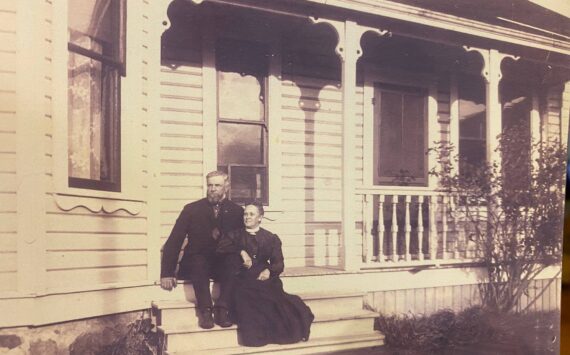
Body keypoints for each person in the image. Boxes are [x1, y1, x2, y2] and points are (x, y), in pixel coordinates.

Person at [217, 201, 314, 347]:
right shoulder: (234, 235)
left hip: (264, 277)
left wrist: (269, 270)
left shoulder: (270, 238)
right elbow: (221, 249)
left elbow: (279, 263)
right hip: (242, 277)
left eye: (251, 214)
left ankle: (277, 333)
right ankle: (257, 337)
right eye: (245, 214)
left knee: (279, 303)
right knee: (248, 298)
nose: (247, 217)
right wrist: (241, 252)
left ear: (260, 218)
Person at [160, 171, 244, 329]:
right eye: (210, 185)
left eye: (217, 185)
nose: (212, 189)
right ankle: (205, 311)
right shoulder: (191, 209)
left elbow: (243, 242)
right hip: (197, 264)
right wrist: (167, 272)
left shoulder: (237, 211)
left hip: (222, 265)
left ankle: (222, 309)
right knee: (198, 260)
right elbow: (175, 239)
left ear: (226, 187)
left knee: (233, 260)